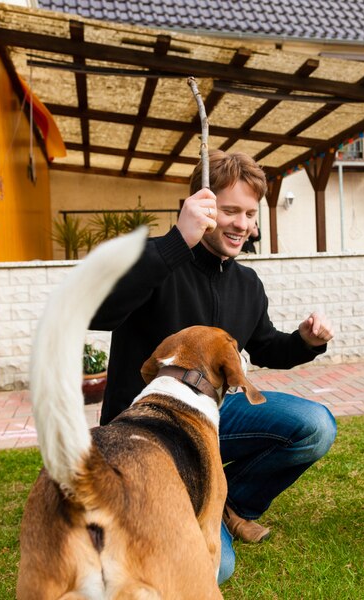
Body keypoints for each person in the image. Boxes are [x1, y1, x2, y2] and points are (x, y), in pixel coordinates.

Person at [88, 150, 337, 584]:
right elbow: (97, 312)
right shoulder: (151, 260)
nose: (242, 223)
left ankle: (230, 502)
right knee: (215, 570)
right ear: (199, 206)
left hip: (212, 420)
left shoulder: (246, 283)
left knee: (315, 425)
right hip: (146, 433)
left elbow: (265, 347)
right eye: (229, 210)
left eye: (249, 213)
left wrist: (304, 342)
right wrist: (174, 244)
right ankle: (186, 506)